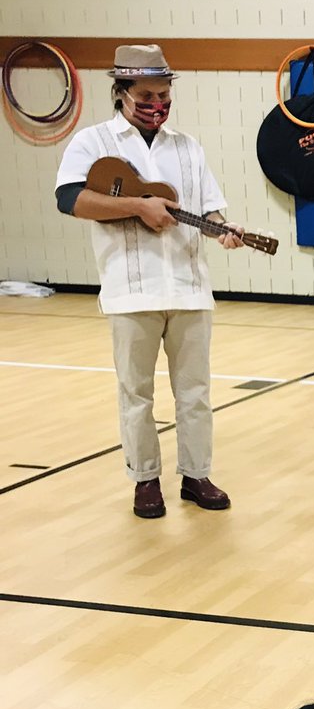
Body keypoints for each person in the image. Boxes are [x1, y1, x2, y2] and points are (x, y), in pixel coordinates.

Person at [55, 44, 243, 519]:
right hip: (129, 287)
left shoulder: (187, 146)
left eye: (164, 95)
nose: (157, 104)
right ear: (121, 93)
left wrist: (224, 227)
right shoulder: (93, 142)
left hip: (189, 285)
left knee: (196, 391)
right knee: (136, 393)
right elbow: (70, 199)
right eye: (146, 96)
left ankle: (196, 474)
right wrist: (137, 206)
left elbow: (209, 205)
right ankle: (144, 480)